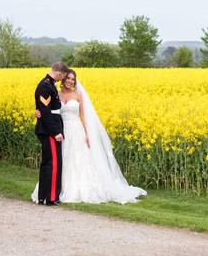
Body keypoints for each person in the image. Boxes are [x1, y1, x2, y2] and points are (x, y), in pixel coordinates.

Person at [31, 68, 146, 204]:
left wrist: (87, 134)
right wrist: (37, 112)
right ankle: (54, 191)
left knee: (78, 159)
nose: (70, 81)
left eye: (73, 79)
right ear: (63, 79)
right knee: (59, 160)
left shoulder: (78, 94)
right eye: (68, 78)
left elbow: (83, 115)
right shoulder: (56, 93)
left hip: (76, 129)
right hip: (61, 129)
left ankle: (75, 189)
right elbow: (48, 109)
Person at [33, 62, 67, 205]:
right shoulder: (46, 85)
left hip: (49, 127)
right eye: (63, 77)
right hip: (50, 130)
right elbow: (46, 112)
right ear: (60, 73)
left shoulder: (49, 84)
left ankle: (43, 197)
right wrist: (55, 132)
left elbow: (42, 108)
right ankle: (51, 197)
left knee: (48, 163)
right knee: (53, 163)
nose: (62, 80)